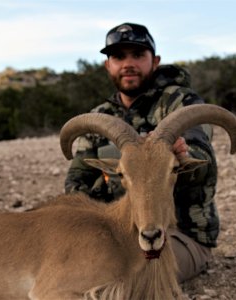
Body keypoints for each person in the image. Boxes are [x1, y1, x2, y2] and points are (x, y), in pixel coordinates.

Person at [65, 22, 218, 283]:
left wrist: (181, 156)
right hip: (114, 231)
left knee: (121, 279)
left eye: (138, 55)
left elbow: (203, 162)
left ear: (155, 61)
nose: (128, 63)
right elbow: (76, 182)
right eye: (118, 56)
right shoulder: (100, 117)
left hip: (177, 234)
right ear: (107, 65)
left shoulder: (181, 103)